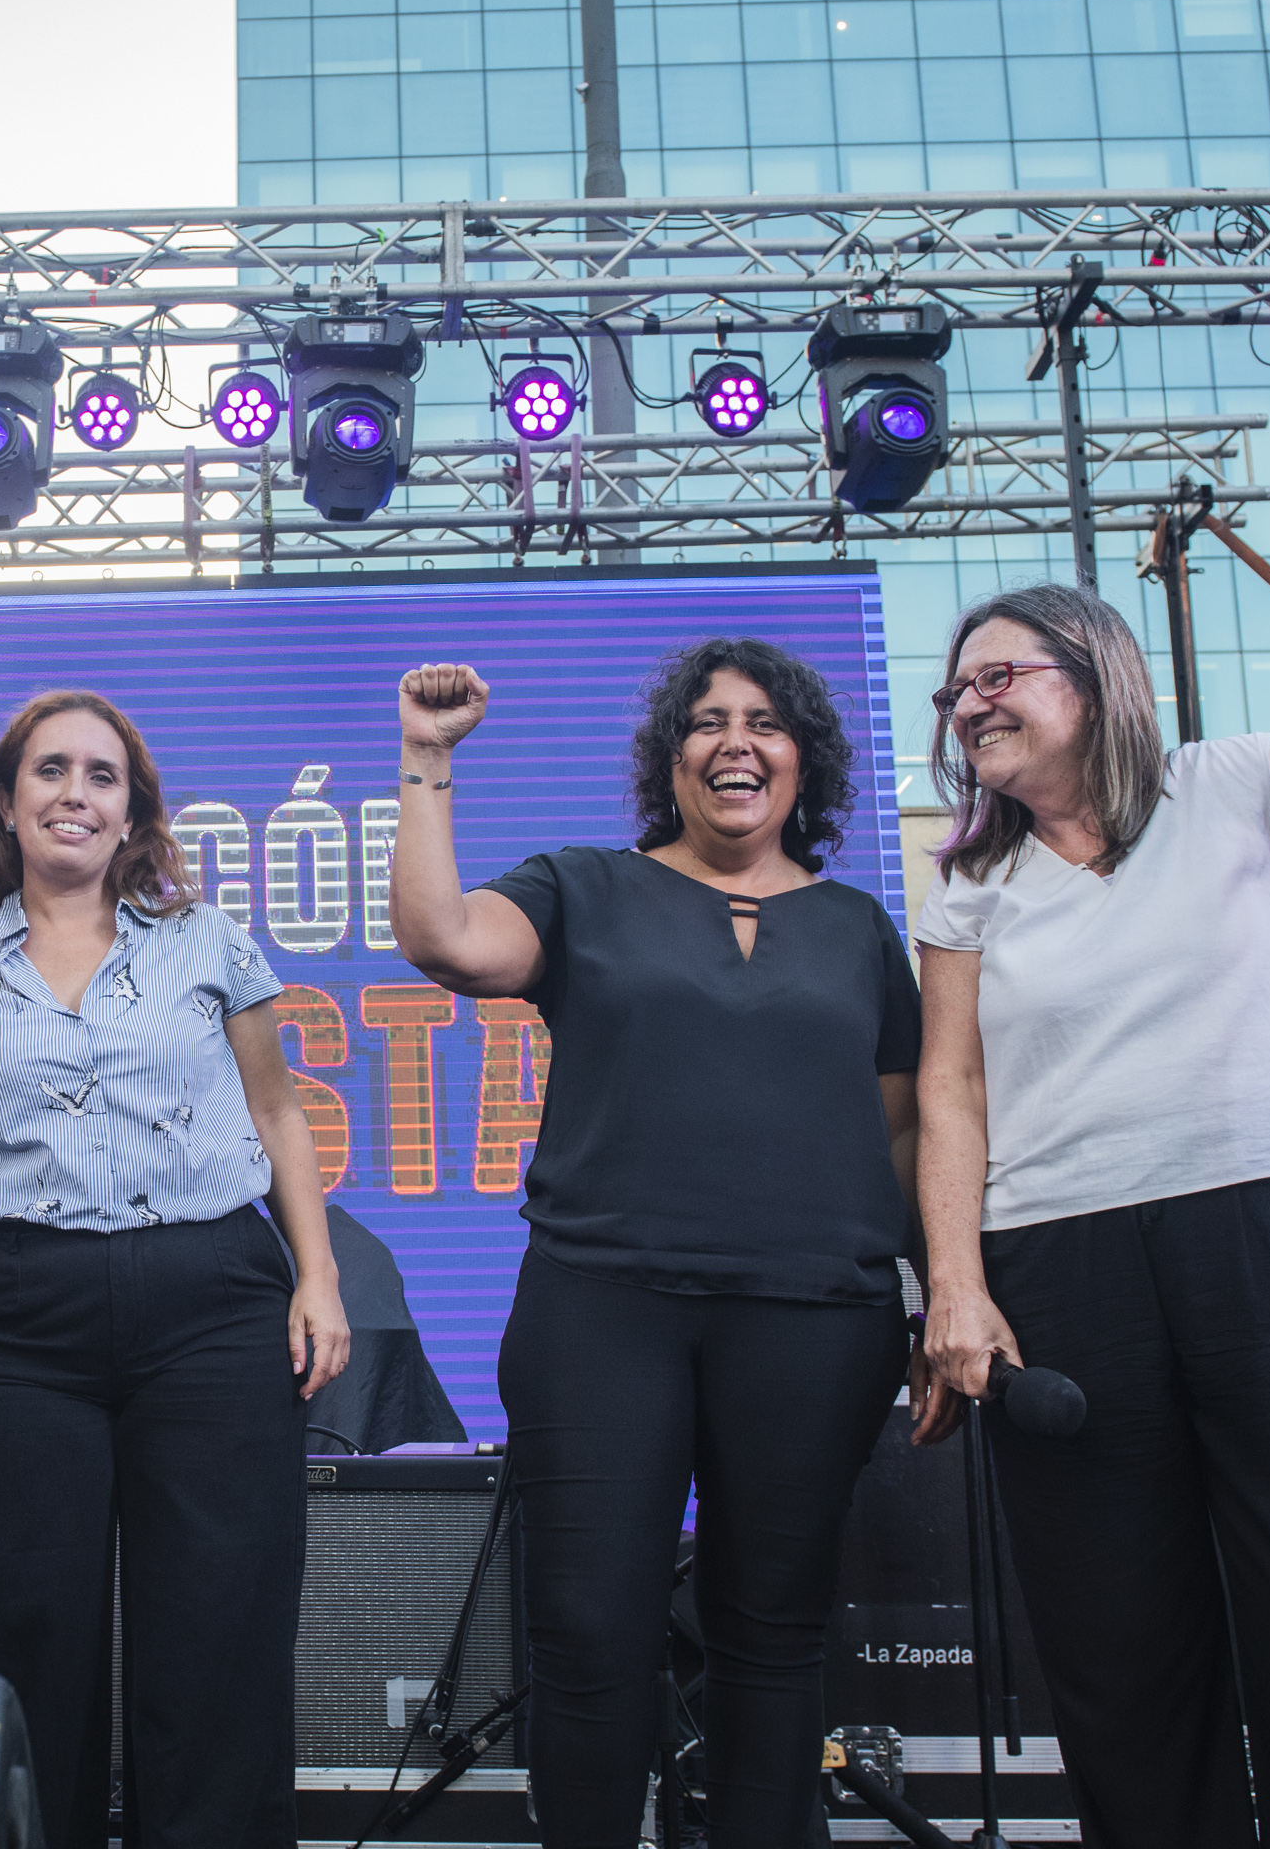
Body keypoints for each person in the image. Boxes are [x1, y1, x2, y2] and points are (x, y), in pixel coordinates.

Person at [914, 466, 1270, 1849]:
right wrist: (955, 1282)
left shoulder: (1226, 787)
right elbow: (948, 1089)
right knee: (1118, 1648)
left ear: (1096, 673)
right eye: (955, 693)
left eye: (999, 673)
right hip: (1062, 1259)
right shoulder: (966, 883)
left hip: (1266, 1236)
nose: (971, 703)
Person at [389, 640, 924, 1847]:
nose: (737, 740)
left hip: (817, 1319)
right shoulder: (584, 885)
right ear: (670, 758)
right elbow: (443, 939)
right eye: (707, 720)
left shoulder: (858, 930)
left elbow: (903, 1139)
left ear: (804, 760)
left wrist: (939, 1297)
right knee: (589, 1632)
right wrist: (427, 757)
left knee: (774, 1636)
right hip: (601, 1308)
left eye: (766, 722)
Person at [0, 689, 350, 1849]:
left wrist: (315, 1276)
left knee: (218, 1634)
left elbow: (278, 1112)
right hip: (24, 1313)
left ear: (132, 813)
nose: (74, 793)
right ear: (7, 802)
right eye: (50, 772)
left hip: (215, 1300)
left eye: (101, 775)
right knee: (11, 1635)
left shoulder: (207, 940)